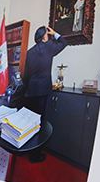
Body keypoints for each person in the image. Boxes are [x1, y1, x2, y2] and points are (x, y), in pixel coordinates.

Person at [23, 26, 68, 163]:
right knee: (39, 123)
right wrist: (55, 33)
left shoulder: (30, 52)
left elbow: (26, 74)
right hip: (42, 91)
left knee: (30, 122)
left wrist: (28, 88)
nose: (49, 37)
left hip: (30, 91)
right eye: (47, 35)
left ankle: (27, 149)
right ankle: (35, 156)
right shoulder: (48, 47)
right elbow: (64, 43)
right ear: (44, 38)